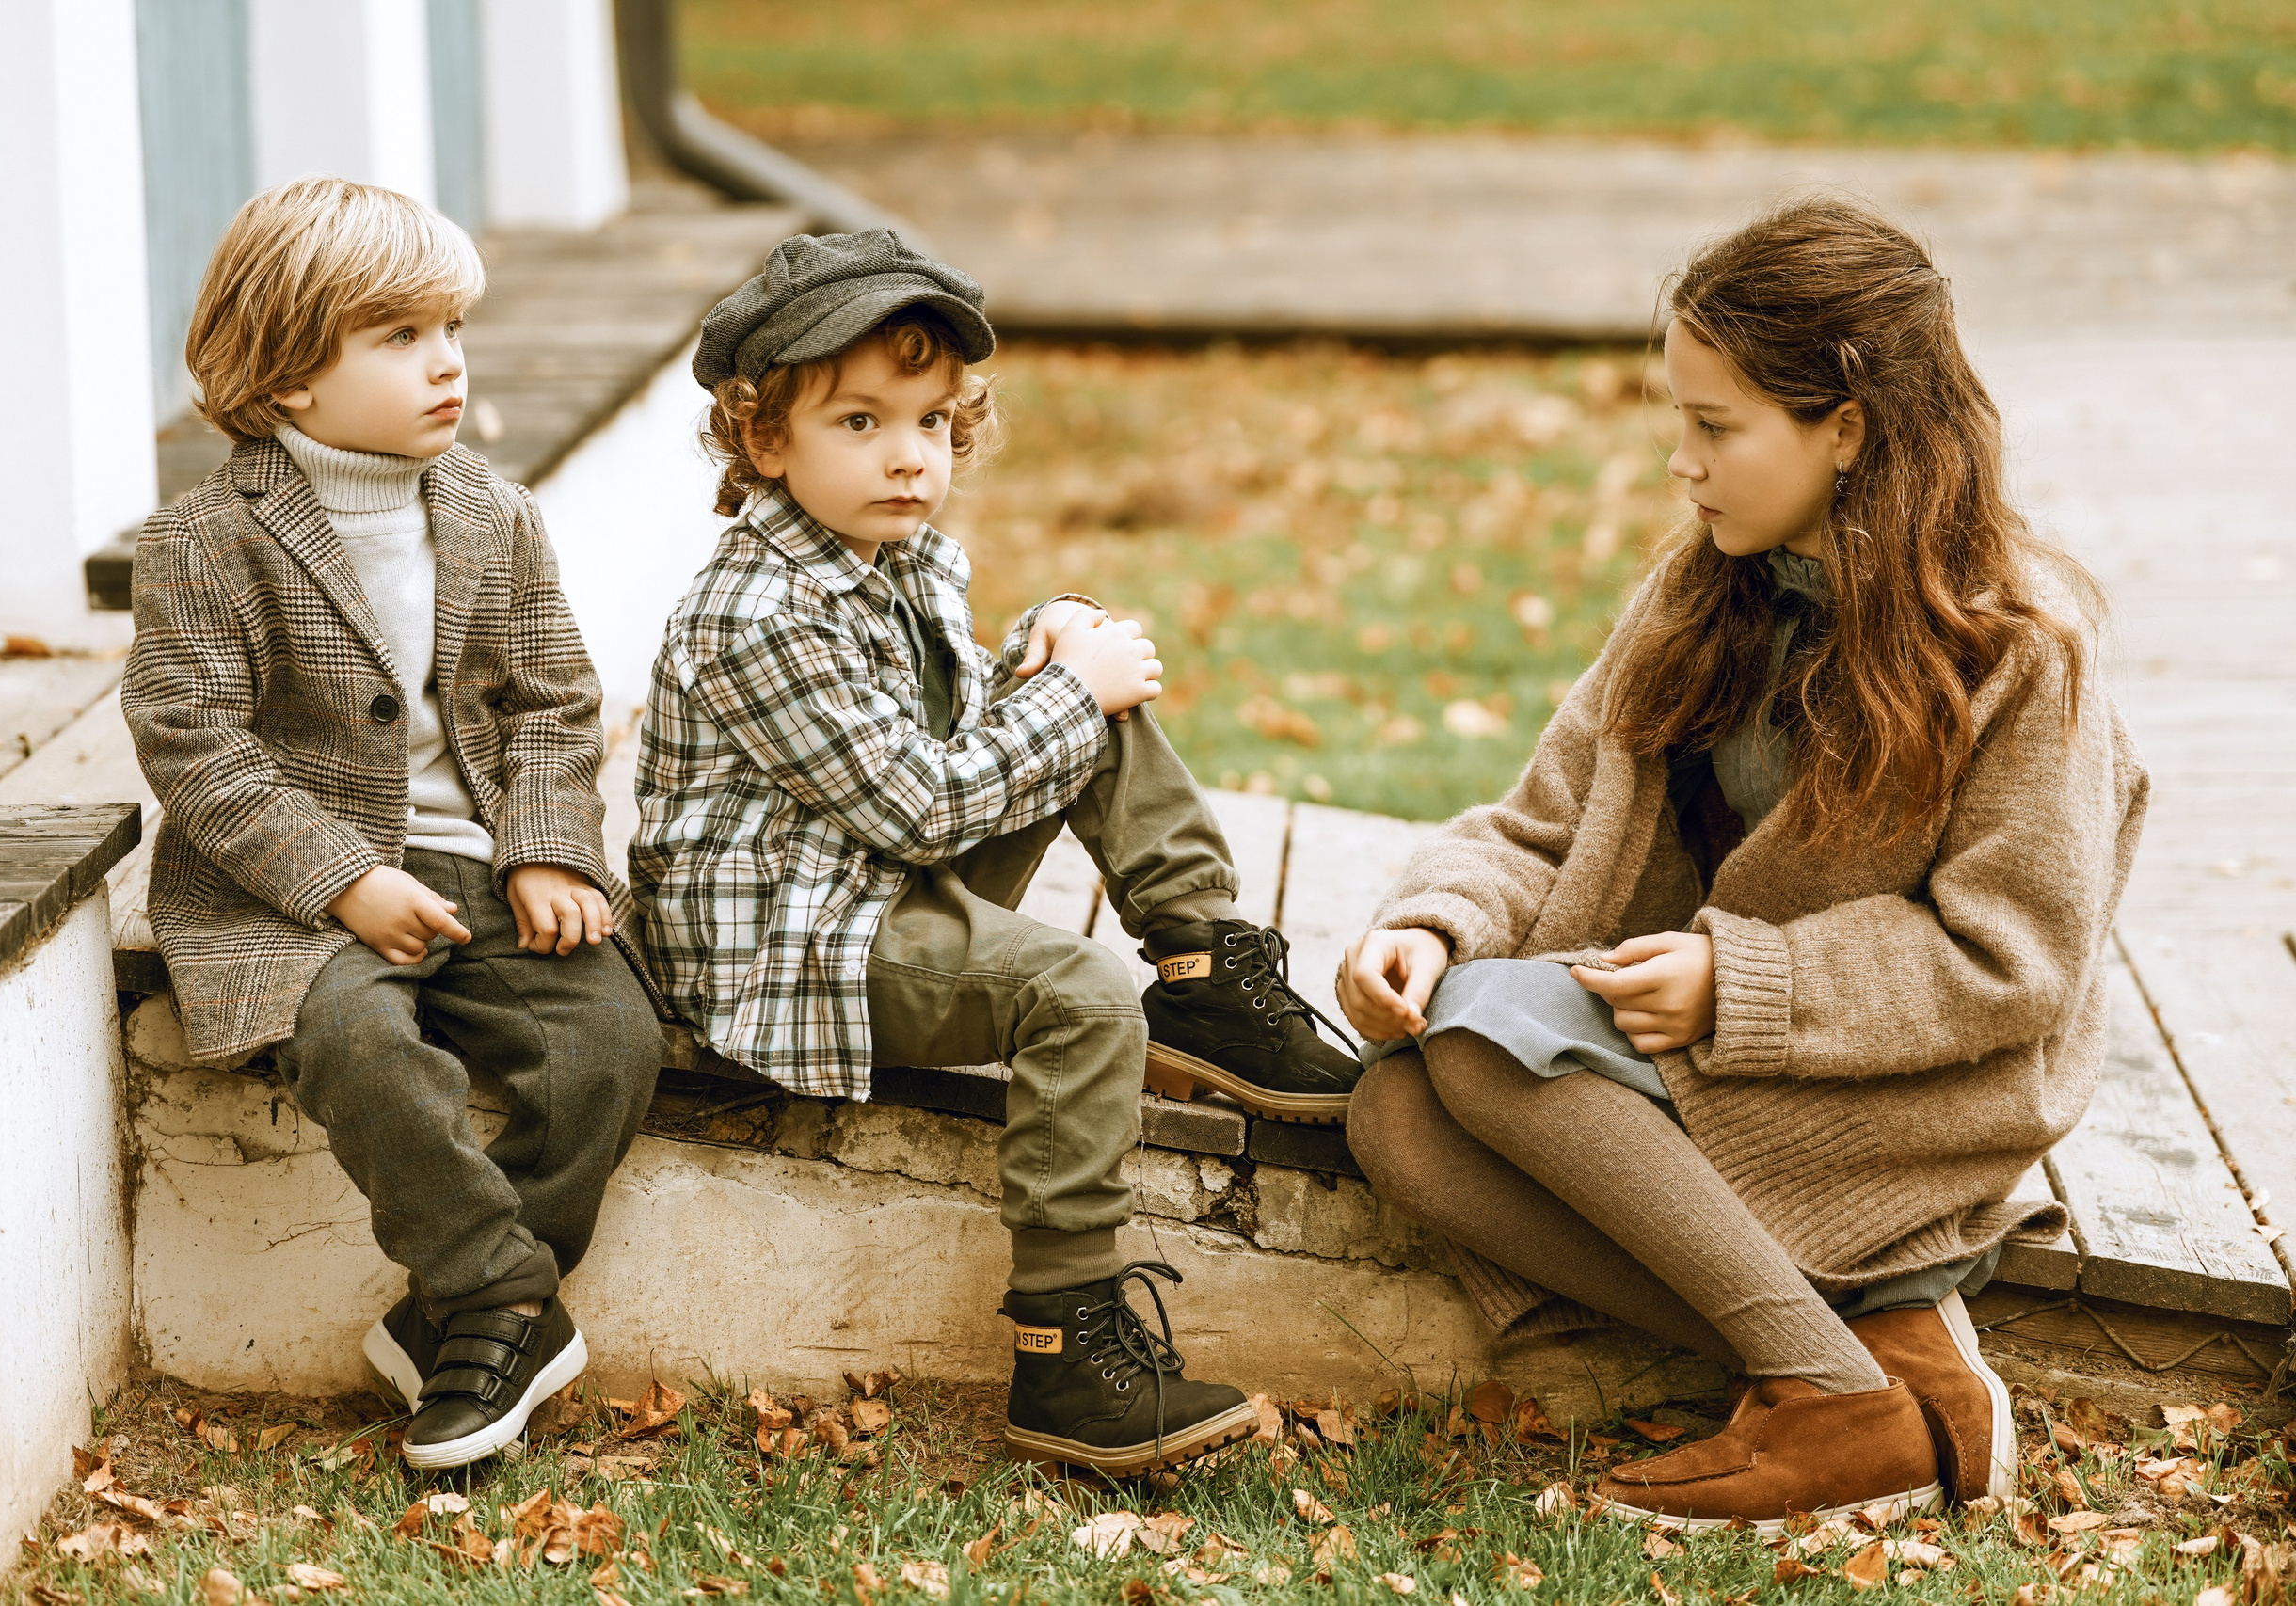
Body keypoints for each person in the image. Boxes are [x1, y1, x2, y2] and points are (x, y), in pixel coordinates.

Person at [1336, 198, 2146, 1532]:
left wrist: (1742, 983)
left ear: (1849, 428)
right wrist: (1433, 924)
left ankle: (1833, 1405)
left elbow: (2017, 964)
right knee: (1396, 1115)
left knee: (1483, 1050)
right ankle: (1865, 1369)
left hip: (1914, 1089)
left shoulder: (2020, 651)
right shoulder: (1707, 591)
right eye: (1680, 422)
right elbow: (1546, 822)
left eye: (1716, 428)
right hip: (1723, 1050)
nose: (1683, 463)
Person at [631, 230, 1361, 1477]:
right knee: (1074, 994)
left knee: (1081, 691)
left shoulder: (890, 558)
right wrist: (1067, 690)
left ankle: (1203, 969)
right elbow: (924, 805)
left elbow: (969, 731)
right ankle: (1066, 1352)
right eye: (860, 421)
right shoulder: (754, 613)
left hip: (864, 881)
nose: (909, 455)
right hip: (790, 948)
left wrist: (1050, 638)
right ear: (766, 442)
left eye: (929, 420)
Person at [123, 178, 662, 1471]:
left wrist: (545, 846)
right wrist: (345, 881)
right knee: (363, 1039)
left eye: (451, 330)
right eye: (400, 338)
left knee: (607, 1038)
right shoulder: (203, 540)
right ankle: (497, 1299)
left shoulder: (490, 510)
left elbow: (551, 698)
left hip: (477, 862)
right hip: (285, 892)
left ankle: (460, 1315)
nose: (447, 364)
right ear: (289, 376)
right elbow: (195, 744)